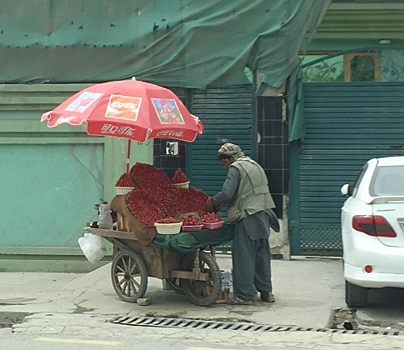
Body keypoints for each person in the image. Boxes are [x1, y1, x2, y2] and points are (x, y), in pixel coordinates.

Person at [205, 143, 277, 305]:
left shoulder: (236, 168)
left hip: (248, 217)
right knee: (261, 256)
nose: (225, 165)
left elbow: (227, 193)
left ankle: (244, 296)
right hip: (263, 215)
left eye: (225, 161)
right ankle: (266, 292)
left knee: (243, 257)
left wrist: (213, 202)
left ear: (231, 158)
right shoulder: (255, 165)